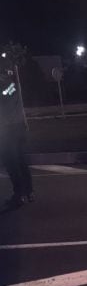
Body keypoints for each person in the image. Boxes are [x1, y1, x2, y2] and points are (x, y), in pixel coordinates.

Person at [0, 65, 33, 209]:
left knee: (12, 163)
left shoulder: (9, 87)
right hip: (18, 127)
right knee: (20, 160)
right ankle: (28, 191)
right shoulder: (14, 85)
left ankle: (19, 195)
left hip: (10, 129)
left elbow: (4, 99)